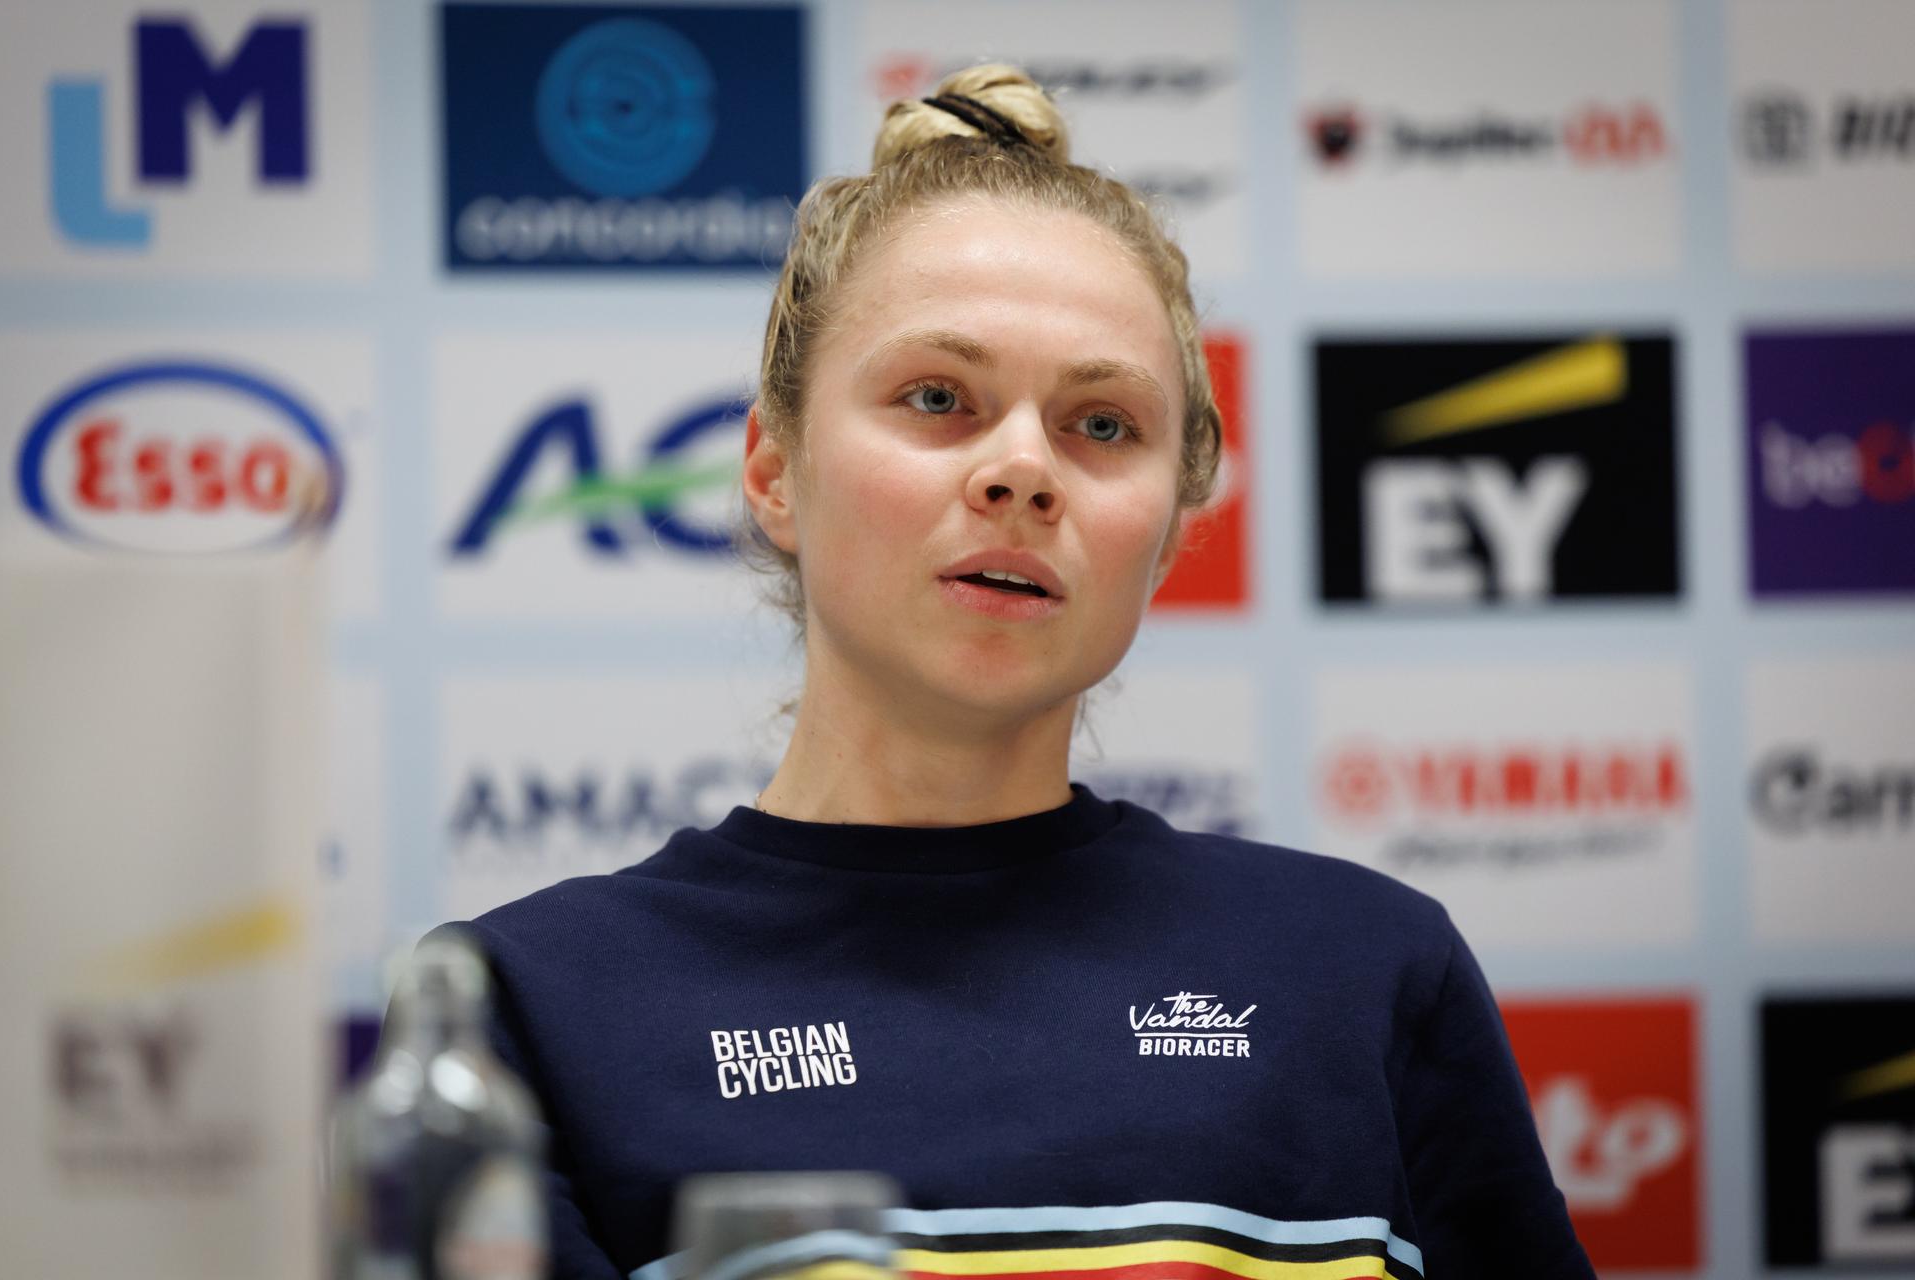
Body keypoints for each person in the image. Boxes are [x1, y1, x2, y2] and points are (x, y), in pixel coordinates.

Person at [448, 65, 1595, 1280]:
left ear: (1166, 530)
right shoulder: (529, 1008)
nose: (1022, 469)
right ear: (775, 470)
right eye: (938, 397)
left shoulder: (1363, 970)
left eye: (1103, 424)